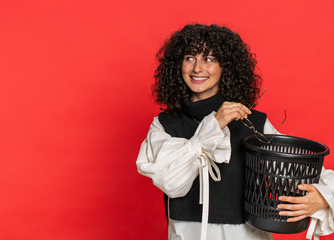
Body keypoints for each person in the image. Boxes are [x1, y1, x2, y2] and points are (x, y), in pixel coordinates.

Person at [136, 24, 334, 240]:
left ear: (225, 67)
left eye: (209, 59)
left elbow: (303, 171)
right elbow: (170, 182)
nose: (197, 68)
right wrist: (214, 125)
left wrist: (323, 197)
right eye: (189, 57)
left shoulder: (253, 123)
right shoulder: (164, 125)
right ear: (178, 64)